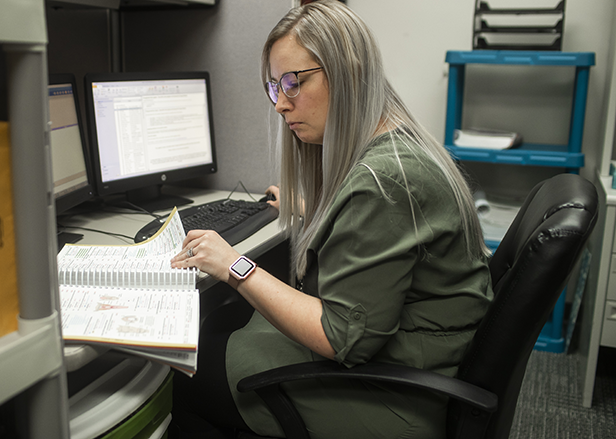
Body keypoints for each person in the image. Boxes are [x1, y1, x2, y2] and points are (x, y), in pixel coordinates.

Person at [170, 1, 493, 438]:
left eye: (293, 83)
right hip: (415, 361)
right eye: (274, 87)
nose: (281, 105)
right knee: (221, 325)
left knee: (183, 373)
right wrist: (322, 209)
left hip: (392, 398)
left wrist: (233, 265)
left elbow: (342, 339)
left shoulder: (386, 180)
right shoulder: (395, 147)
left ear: (347, 71)